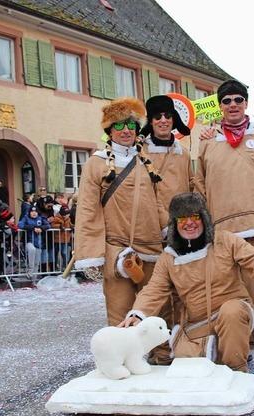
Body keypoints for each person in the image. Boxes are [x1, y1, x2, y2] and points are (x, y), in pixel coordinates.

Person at [119, 193, 254, 372]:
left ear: (203, 218)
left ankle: (237, 374)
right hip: (197, 325)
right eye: (182, 219)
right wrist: (137, 315)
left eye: (195, 217)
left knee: (232, 312)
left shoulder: (225, 240)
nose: (189, 223)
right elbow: (154, 290)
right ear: (175, 224)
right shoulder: (168, 258)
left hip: (232, 315)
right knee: (191, 371)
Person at [194, 79, 254, 377]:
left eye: (238, 99)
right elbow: (198, 186)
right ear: (220, 106)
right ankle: (240, 348)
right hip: (221, 232)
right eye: (226, 101)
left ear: (246, 103)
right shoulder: (208, 142)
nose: (233, 105)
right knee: (230, 294)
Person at [73, 97, 169, 363]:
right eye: (119, 125)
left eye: (131, 124)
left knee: (156, 310)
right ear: (109, 130)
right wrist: (93, 253)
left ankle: (162, 358)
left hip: (151, 247)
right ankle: (123, 362)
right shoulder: (96, 163)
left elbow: (157, 200)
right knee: (120, 312)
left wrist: (167, 230)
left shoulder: (145, 160)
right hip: (118, 251)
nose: (126, 130)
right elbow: (89, 211)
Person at [139, 95, 193, 228]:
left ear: (173, 120)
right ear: (151, 121)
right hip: (150, 223)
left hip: (181, 223)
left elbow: (192, 185)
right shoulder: (140, 152)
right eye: (157, 117)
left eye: (168, 116)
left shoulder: (184, 153)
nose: (163, 121)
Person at [18, 207, 50, 279]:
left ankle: (33, 280)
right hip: (28, 241)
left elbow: (48, 225)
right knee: (32, 250)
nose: (34, 213)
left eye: (35, 211)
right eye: (32, 211)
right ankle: (30, 270)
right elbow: (20, 225)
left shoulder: (41, 218)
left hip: (39, 242)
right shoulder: (26, 218)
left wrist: (41, 228)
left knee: (36, 263)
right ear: (29, 212)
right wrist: (33, 228)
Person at [49, 205, 72, 270]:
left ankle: (65, 267)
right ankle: (55, 266)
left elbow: (70, 224)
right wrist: (59, 226)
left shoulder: (68, 218)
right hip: (57, 239)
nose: (66, 215)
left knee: (64, 253)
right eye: (65, 214)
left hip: (65, 240)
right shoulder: (56, 218)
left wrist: (72, 227)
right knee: (56, 253)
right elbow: (52, 225)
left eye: (67, 214)